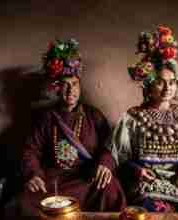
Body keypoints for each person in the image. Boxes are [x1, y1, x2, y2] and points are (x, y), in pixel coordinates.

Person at [109, 26, 178, 212]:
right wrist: (137, 171)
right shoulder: (132, 119)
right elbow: (121, 157)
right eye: (160, 82)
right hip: (148, 187)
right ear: (149, 87)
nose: (168, 88)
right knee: (151, 212)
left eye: (172, 82)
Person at [20, 39, 126, 218]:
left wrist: (105, 165)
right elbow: (30, 150)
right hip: (55, 182)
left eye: (75, 84)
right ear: (56, 88)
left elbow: (110, 146)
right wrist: (34, 175)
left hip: (88, 179)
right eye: (64, 85)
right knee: (23, 203)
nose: (70, 90)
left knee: (111, 190)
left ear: (80, 85)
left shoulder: (94, 115)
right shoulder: (45, 118)